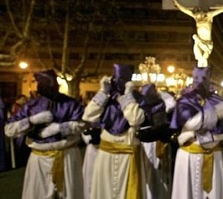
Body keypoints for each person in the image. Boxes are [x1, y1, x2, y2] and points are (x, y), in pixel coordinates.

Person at [4, 69, 85, 198]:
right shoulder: (31, 106)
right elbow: (9, 130)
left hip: (66, 155)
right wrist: (31, 121)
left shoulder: (70, 104)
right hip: (39, 159)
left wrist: (60, 128)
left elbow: (83, 124)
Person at [82, 64, 146, 199]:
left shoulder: (138, 98)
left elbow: (135, 119)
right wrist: (102, 92)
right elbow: (88, 115)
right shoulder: (107, 98)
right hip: (106, 154)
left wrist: (128, 97)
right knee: (104, 191)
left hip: (128, 155)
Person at [169, 66, 223, 199]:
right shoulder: (184, 100)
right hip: (189, 156)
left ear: (209, 79)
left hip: (215, 156)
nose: (199, 81)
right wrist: (216, 114)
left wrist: (198, 128)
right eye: (196, 78)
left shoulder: (219, 100)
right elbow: (191, 123)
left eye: (203, 78)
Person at [172, 0, 223, 67]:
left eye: (198, 15)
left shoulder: (209, 16)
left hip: (207, 43)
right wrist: (177, 4)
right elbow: (185, 10)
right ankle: (200, 73)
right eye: (196, 16)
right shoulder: (196, 17)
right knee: (199, 59)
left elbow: (221, 9)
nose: (197, 17)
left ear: (202, 13)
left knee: (204, 58)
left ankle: (203, 73)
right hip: (199, 41)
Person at [138, 83, 176, 199]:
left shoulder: (141, 105)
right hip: (149, 143)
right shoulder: (160, 103)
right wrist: (161, 93)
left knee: (157, 173)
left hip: (155, 143)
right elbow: (171, 103)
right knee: (153, 173)